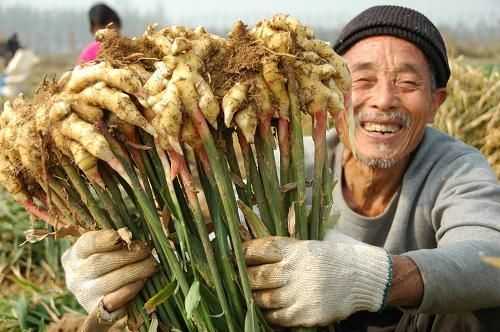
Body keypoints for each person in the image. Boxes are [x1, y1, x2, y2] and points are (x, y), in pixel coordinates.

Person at [60, 5, 500, 332]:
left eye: (407, 83)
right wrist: (112, 277)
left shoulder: (456, 169)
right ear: (332, 90)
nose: (383, 100)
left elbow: (490, 262)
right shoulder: (290, 164)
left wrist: (378, 276)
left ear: (436, 102)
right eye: (362, 80)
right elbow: (198, 236)